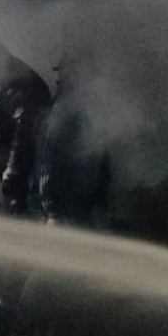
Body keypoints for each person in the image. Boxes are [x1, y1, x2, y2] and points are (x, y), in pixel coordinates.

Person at [0, 34, 50, 215]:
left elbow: (25, 130)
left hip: (28, 177)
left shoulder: (23, 81)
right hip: (12, 174)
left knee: (24, 219)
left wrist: (14, 169)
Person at [34, 47, 112, 228]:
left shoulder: (76, 109)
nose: (59, 79)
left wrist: (53, 207)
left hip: (70, 209)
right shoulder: (63, 106)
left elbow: (53, 160)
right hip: (65, 208)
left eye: (65, 72)